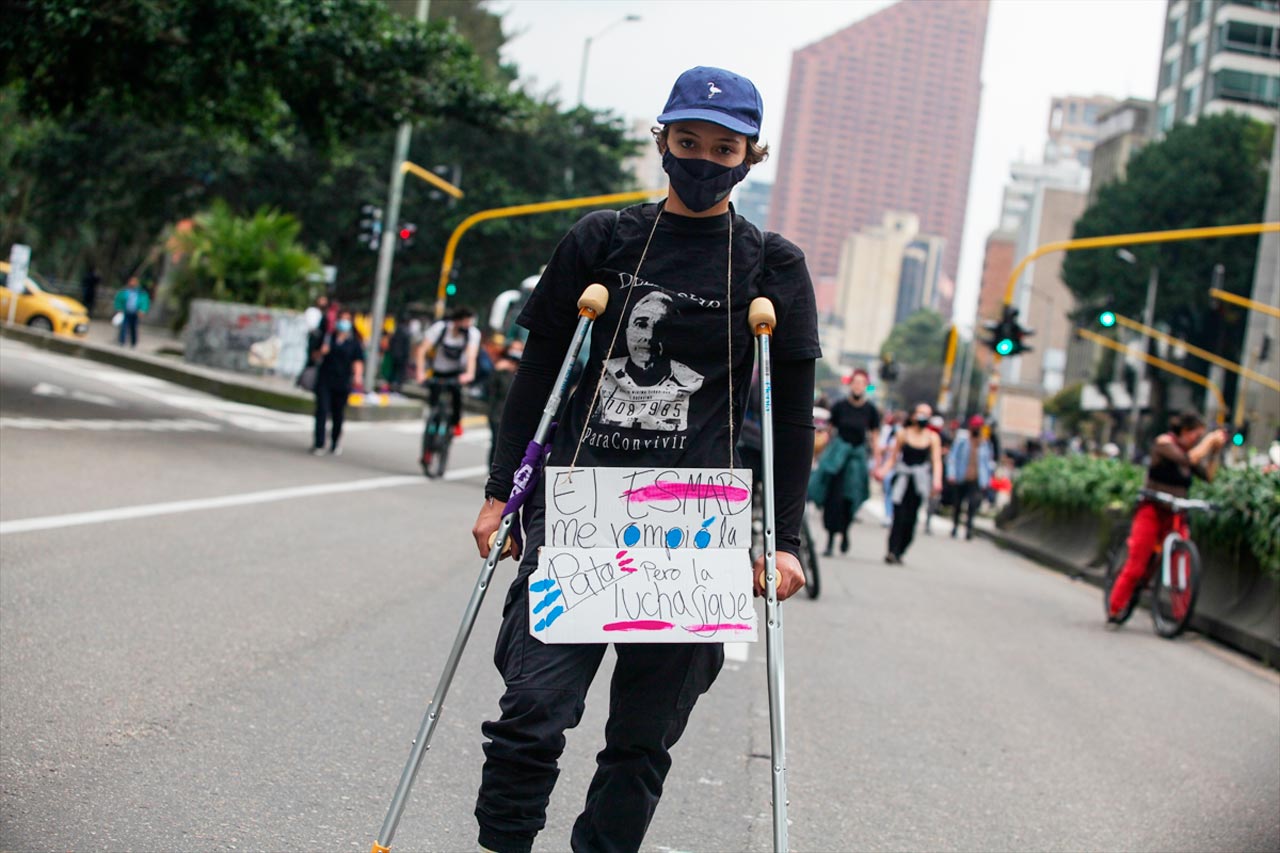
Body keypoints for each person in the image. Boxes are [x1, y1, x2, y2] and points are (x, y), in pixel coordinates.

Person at [468, 65, 819, 853]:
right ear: (662, 140)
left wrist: (785, 540)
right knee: (531, 710)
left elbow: (791, 416)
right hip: (584, 505)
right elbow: (538, 371)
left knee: (640, 741)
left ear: (749, 156)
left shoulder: (773, 267)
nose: (701, 159)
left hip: (694, 522)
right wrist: (503, 490)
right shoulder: (603, 239)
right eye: (687, 140)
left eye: (722, 147)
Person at [1106, 411, 1226, 621]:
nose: (1197, 440)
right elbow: (1187, 460)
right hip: (1152, 509)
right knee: (1137, 563)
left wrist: (1214, 452)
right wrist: (1207, 442)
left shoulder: (1191, 452)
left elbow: (1208, 476)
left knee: (1184, 559)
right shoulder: (1164, 443)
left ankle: (1181, 615)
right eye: (1196, 436)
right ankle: (1115, 607)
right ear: (1185, 432)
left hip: (1175, 512)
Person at [817, 369, 880, 553]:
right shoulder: (839, 406)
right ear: (850, 383)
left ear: (866, 386)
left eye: (862, 382)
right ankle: (829, 540)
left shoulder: (871, 410)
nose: (858, 385)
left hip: (856, 459)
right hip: (838, 458)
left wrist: (877, 463)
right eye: (855, 382)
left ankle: (845, 532)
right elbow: (828, 432)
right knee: (832, 498)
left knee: (850, 499)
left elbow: (875, 437)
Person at [876, 401, 943, 564]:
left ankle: (901, 550)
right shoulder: (903, 434)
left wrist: (937, 481)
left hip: (919, 483)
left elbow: (936, 461)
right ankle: (892, 551)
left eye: (927, 415)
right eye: (920, 413)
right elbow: (893, 458)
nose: (923, 417)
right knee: (898, 517)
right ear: (913, 415)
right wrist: (882, 471)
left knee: (911, 519)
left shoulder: (932, 437)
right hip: (902, 479)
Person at [416, 306, 481, 430]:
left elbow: (471, 355)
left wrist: (469, 374)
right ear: (457, 321)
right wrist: (420, 372)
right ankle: (432, 425)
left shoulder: (472, 333)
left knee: (457, 396)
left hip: (456, 372)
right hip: (437, 370)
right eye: (465, 322)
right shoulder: (440, 328)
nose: (467, 326)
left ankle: (455, 424)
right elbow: (422, 350)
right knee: (433, 399)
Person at [311, 309, 364, 456]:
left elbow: (358, 361)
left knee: (337, 414)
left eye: (347, 320)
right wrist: (322, 351)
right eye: (341, 319)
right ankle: (319, 443)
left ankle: (335, 442)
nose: (343, 323)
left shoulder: (354, 342)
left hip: (342, 382)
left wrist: (357, 377)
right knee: (321, 410)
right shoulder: (327, 337)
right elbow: (313, 356)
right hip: (325, 379)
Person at [946, 414, 995, 540]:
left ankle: (969, 528)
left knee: (973, 504)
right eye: (975, 426)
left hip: (977, 479)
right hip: (961, 476)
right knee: (958, 504)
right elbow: (952, 458)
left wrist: (987, 480)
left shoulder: (984, 443)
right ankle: (955, 526)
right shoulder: (962, 440)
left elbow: (987, 463)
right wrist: (951, 474)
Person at [486, 339, 522, 467]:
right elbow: (489, 389)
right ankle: (491, 469)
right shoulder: (501, 370)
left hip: (516, 417)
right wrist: (497, 370)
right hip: (497, 414)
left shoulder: (524, 374)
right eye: (513, 349)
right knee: (496, 442)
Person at [112, 276, 150, 347]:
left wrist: (142, 310)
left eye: (134, 282)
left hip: (135, 313)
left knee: (133, 328)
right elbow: (119, 300)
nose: (132, 283)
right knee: (123, 326)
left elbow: (144, 302)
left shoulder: (141, 292)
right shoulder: (124, 291)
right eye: (131, 281)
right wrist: (119, 308)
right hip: (126, 312)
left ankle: (133, 342)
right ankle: (122, 341)